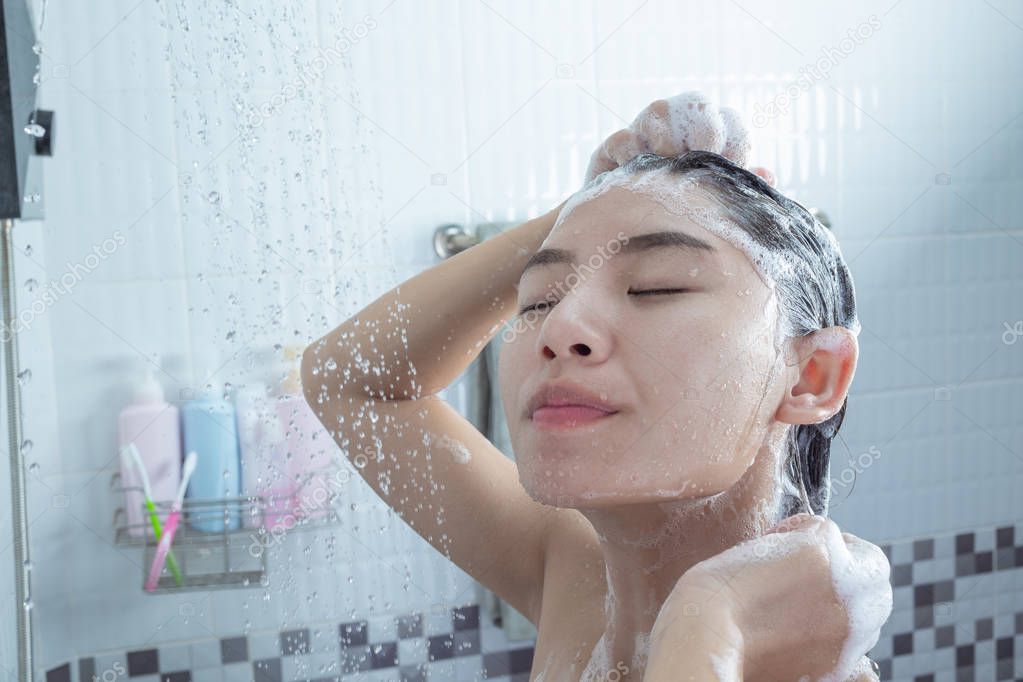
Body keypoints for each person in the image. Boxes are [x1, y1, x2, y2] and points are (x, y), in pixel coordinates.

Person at [301, 93, 892, 681]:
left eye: (656, 288)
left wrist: (710, 627)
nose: (558, 330)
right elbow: (349, 381)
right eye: (539, 299)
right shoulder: (578, 577)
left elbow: (351, 385)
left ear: (813, 376)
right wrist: (590, 212)